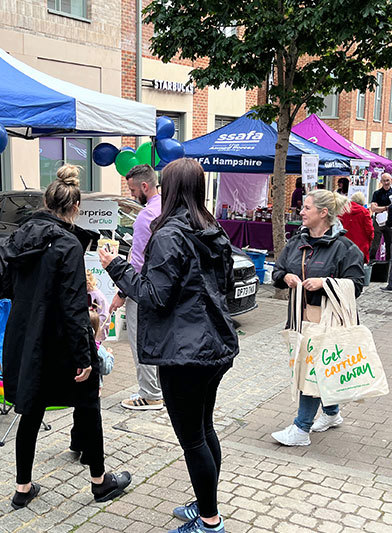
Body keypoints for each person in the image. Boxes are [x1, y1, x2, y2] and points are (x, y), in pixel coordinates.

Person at [100, 158, 239, 533]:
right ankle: (205, 503)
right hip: (212, 345)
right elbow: (220, 286)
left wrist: (116, 267)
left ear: (170, 188)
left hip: (186, 352)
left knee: (193, 437)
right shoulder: (212, 229)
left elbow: (153, 295)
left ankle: (209, 521)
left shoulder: (169, 234)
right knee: (204, 429)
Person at [1, 164, 131, 510]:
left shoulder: (17, 238)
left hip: (26, 336)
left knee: (30, 409)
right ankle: (100, 482)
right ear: (75, 209)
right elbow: (75, 306)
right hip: (59, 338)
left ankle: (23, 486)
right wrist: (83, 356)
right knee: (88, 404)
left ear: (46, 202)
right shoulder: (67, 244)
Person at [270, 190, 365, 447]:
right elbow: (277, 270)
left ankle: (301, 428)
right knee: (317, 369)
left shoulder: (344, 248)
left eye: (307, 208)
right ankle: (332, 413)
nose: (301, 211)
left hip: (327, 319)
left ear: (324, 213)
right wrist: (285, 278)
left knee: (310, 372)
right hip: (300, 317)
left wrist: (324, 282)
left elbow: (356, 285)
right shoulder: (296, 242)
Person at [110, 164, 164, 411]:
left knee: (140, 340)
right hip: (164, 289)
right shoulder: (168, 207)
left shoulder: (145, 217)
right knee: (158, 341)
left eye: (132, 190)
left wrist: (122, 292)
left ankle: (150, 394)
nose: (132, 195)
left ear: (144, 186)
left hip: (142, 290)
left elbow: (138, 262)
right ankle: (160, 389)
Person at [69, 308, 115, 462]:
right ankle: (88, 454)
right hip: (93, 391)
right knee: (92, 422)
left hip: (76, 390)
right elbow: (106, 369)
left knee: (78, 418)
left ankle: (76, 444)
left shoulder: (73, 346)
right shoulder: (98, 349)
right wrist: (110, 356)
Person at [338, 192, 374, 263]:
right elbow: (369, 230)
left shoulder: (343, 210)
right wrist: (371, 239)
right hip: (361, 244)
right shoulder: (364, 212)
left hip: (345, 243)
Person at [369, 173, 392, 262]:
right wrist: (387, 208)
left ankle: (389, 264)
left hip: (390, 221)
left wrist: (380, 208)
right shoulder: (377, 193)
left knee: (390, 244)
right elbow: (373, 208)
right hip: (378, 221)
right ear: (381, 182)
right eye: (384, 180)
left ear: (391, 181)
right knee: (375, 243)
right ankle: (371, 262)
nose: (386, 182)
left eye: (387, 180)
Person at [86, 270, 109, 342]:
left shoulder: (98, 296)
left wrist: (99, 331)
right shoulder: (85, 293)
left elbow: (104, 314)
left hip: (97, 329)